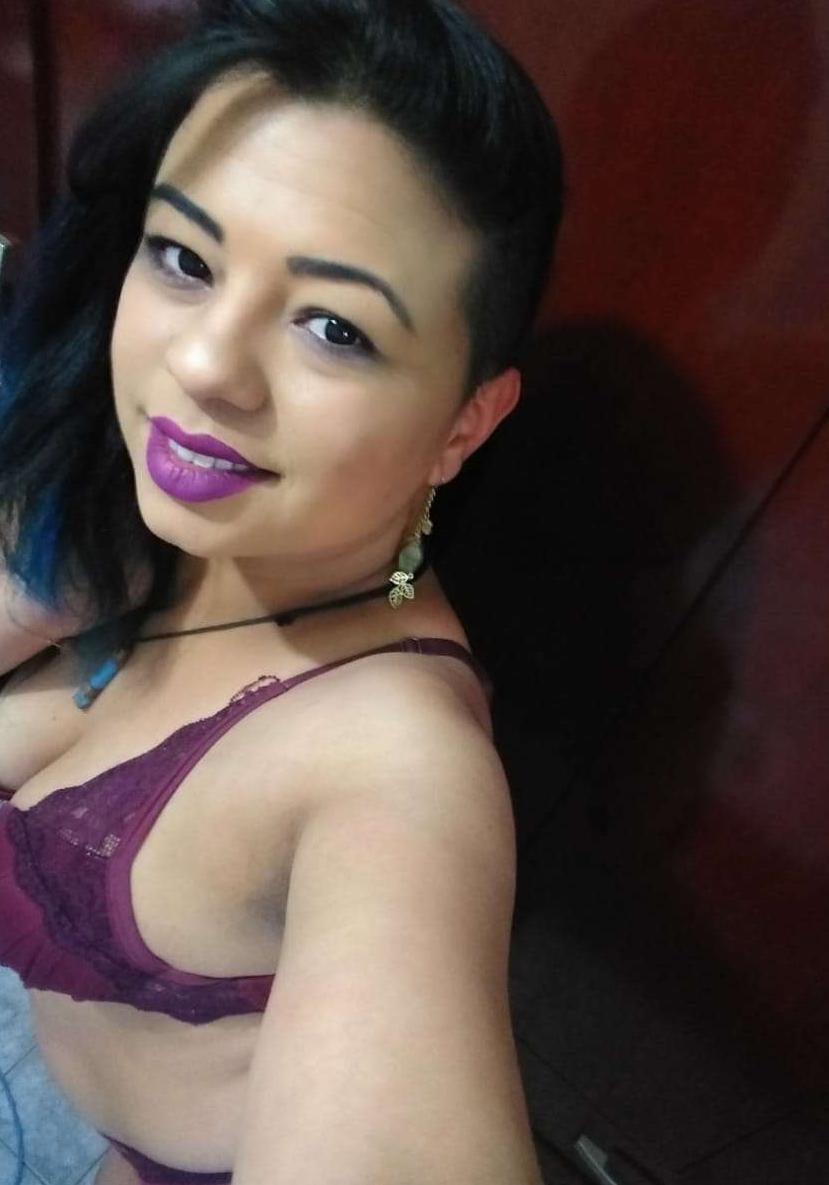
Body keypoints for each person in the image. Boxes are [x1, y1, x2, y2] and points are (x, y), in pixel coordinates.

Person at [0, 0, 564, 1181]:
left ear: (465, 422)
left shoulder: (395, 772)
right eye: (185, 257)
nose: (205, 364)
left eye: (332, 328)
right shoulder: (141, 506)